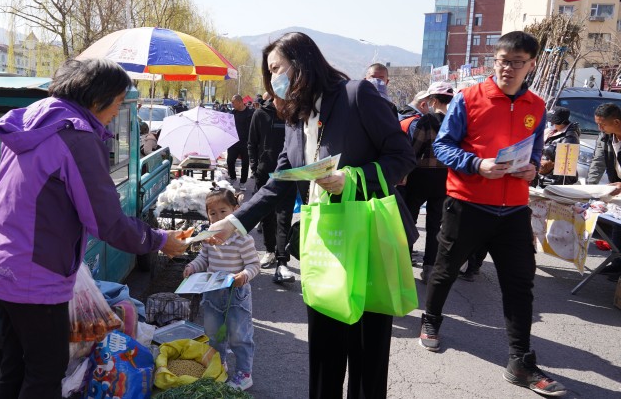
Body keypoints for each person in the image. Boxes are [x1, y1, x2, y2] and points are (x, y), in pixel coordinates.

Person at [207, 31, 416, 398]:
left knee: (366, 356)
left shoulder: (357, 95)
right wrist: (235, 222)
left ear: (301, 64)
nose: (273, 80)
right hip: (324, 246)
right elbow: (279, 183)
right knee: (323, 353)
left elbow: (402, 157)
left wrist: (351, 178)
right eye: (269, 73)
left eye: (277, 69)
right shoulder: (294, 118)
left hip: (365, 241)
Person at [0, 58, 187, 399]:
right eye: (118, 103)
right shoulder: (76, 137)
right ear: (95, 99)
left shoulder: (32, 120)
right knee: (45, 371)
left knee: (15, 362)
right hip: (36, 273)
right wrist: (160, 240)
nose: (117, 111)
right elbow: (107, 222)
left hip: (0, 263)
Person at [421, 31, 567, 397]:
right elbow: (443, 146)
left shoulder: (536, 105)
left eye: (517, 62)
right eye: (503, 61)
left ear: (531, 65)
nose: (508, 68)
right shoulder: (468, 98)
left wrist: (532, 168)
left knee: (520, 284)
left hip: (514, 208)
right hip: (467, 203)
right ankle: (431, 319)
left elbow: (533, 152)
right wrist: (476, 163)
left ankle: (520, 360)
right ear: (495, 62)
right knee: (445, 268)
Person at [183, 186, 260, 391]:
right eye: (213, 214)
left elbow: (254, 264)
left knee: (239, 335)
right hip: (212, 293)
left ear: (235, 211)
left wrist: (244, 275)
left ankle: (244, 373)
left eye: (223, 212)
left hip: (236, 294)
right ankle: (219, 364)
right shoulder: (209, 238)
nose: (218, 218)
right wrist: (192, 267)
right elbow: (203, 258)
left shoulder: (242, 238)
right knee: (214, 333)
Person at [402, 82, 454, 283]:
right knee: (435, 224)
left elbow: (414, 149)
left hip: (420, 176)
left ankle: (404, 263)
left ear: (432, 100)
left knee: (410, 219)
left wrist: (405, 172)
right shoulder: (456, 121)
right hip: (445, 178)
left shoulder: (426, 121)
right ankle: (429, 267)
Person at [247, 91, 296, 282]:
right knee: (267, 217)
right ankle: (269, 250)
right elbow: (252, 143)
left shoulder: (294, 115)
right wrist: (255, 167)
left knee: (284, 218)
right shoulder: (260, 114)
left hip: (289, 173)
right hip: (265, 173)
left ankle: (282, 261)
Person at [586, 103, 621, 281]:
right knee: (616, 225)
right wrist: (589, 189)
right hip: (618, 189)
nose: (599, 128)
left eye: (602, 124)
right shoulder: (606, 137)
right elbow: (598, 162)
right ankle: (617, 264)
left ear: (616, 121)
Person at [533, 106, 580, 188]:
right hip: (541, 176)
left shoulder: (569, 139)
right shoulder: (550, 132)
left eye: (553, 121)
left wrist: (548, 182)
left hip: (552, 182)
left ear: (562, 122)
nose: (551, 123)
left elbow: (565, 171)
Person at [227, 94, 254, 191]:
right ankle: (233, 178)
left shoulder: (251, 113)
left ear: (239, 102)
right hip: (233, 142)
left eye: (233, 102)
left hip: (246, 143)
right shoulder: (231, 114)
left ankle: (242, 182)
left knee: (245, 164)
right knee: (230, 161)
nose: (232, 104)